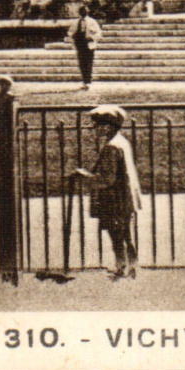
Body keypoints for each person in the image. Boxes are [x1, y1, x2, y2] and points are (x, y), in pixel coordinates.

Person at [69, 105, 142, 279]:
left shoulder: (111, 147)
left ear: (108, 126)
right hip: (126, 198)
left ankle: (122, 267)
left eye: (98, 125)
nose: (95, 128)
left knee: (117, 236)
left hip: (114, 200)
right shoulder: (122, 142)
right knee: (126, 235)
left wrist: (84, 176)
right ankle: (132, 267)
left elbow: (107, 179)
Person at [66, 1, 103, 89]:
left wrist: (92, 37)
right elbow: (70, 32)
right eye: (81, 11)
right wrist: (73, 36)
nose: (83, 13)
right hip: (80, 44)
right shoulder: (76, 22)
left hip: (89, 44)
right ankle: (84, 80)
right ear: (79, 12)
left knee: (88, 62)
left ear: (87, 12)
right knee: (82, 63)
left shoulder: (92, 22)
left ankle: (88, 81)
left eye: (85, 11)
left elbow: (99, 33)